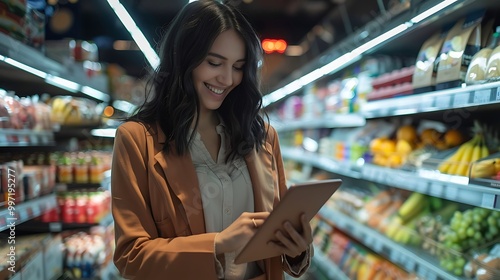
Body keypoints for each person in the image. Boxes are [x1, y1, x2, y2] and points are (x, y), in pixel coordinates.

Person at [111, 1, 313, 279]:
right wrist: (216, 245)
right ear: (183, 58)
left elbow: (275, 234)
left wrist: (296, 246)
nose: (227, 78)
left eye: (239, 66)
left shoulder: (263, 137)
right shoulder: (136, 140)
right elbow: (130, 256)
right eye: (214, 63)